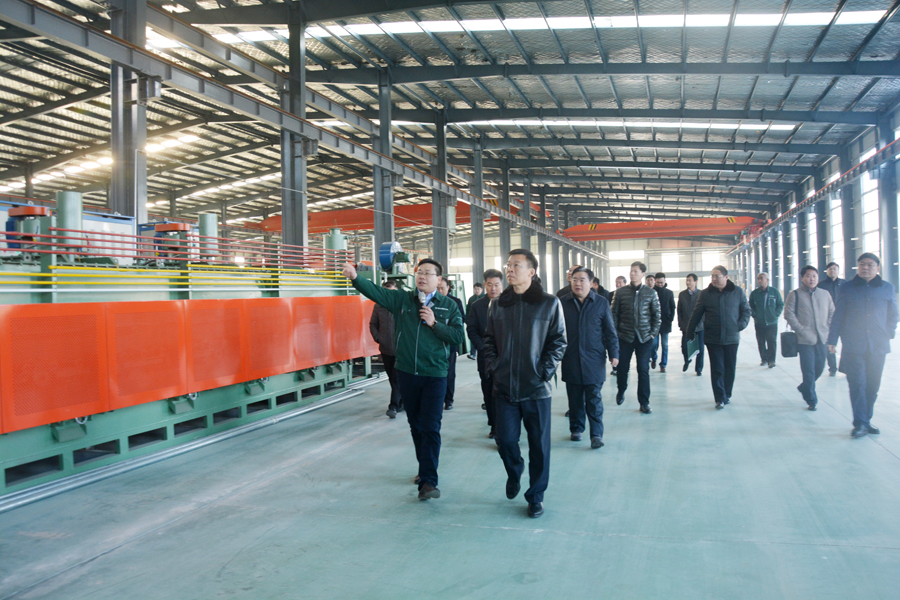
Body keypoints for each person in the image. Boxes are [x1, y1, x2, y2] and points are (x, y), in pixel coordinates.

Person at [342, 259, 464, 501]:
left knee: (431, 427)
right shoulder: (402, 300)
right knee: (416, 425)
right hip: (407, 373)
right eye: (419, 272)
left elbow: (458, 336)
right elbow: (375, 292)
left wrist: (435, 324)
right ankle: (425, 468)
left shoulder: (448, 305)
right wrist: (356, 278)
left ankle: (429, 481)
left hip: (435, 374)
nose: (422, 276)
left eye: (428, 273)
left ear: (439, 279)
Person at [482, 249, 567, 518]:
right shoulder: (498, 304)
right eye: (508, 265)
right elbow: (488, 340)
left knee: (539, 446)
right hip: (504, 387)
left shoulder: (549, 303)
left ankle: (536, 496)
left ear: (531, 271)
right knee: (505, 440)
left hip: (536, 388)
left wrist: (544, 371)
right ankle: (515, 470)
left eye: (516, 265)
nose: (509, 269)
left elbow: (558, 341)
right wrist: (495, 367)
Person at [827, 253, 898, 438]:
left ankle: (866, 419)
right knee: (857, 384)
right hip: (853, 345)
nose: (865, 267)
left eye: (870, 265)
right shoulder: (847, 288)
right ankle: (860, 423)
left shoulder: (887, 288)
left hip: (878, 346)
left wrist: (888, 333)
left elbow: (893, 315)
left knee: (873, 385)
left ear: (878, 268)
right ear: (857, 267)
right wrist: (832, 340)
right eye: (862, 264)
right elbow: (838, 315)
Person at [560, 267, 619, 449]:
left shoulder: (601, 302)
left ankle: (596, 435)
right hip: (571, 358)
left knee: (594, 399)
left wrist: (614, 354)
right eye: (574, 279)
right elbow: (555, 331)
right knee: (575, 398)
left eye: (582, 280)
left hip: (594, 358)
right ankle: (576, 429)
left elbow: (609, 330)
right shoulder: (562, 303)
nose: (577, 283)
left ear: (591, 283)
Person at [686, 266, 751, 409]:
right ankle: (720, 398)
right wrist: (689, 331)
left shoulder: (737, 292)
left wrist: (739, 325)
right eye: (712, 276)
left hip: (732, 338)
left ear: (726, 277)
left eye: (717, 276)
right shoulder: (706, 294)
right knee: (717, 368)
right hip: (713, 338)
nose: (714, 279)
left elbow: (746, 311)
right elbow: (697, 313)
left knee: (729, 368)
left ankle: (727, 394)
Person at [611, 261, 661, 414]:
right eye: (631, 271)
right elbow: (613, 315)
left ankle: (644, 402)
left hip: (644, 338)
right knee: (622, 368)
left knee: (643, 370)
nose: (632, 273)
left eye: (635, 271)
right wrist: (616, 333)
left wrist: (652, 333)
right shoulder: (620, 293)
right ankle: (621, 390)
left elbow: (657, 316)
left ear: (642, 274)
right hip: (624, 337)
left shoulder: (651, 293)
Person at [784, 266, 834, 411]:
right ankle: (811, 399)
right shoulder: (795, 294)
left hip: (822, 338)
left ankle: (804, 387)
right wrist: (801, 330)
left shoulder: (825, 294)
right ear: (802, 278)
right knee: (808, 370)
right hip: (804, 340)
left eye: (814, 276)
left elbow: (832, 312)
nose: (811, 279)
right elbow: (788, 314)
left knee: (819, 368)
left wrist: (827, 328)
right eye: (808, 276)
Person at [466, 269, 504, 438]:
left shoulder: (510, 304)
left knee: (506, 392)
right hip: (485, 357)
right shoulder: (477, 306)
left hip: (506, 356)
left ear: (502, 285)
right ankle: (494, 425)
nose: (493, 288)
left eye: (496, 284)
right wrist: (483, 348)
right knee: (489, 391)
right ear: (484, 285)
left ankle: (506, 425)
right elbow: (472, 329)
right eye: (489, 284)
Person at [369, 280, 403, 419]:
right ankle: (401, 402)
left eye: (391, 291)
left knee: (396, 378)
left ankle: (393, 406)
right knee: (392, 378)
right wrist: (379, 338)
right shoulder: (379, 306)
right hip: (385, 348)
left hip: (401, 349)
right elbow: (373, 324)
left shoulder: (402, 305)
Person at [438, 277, 466, 410]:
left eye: (442, 288)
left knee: (449, 373)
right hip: (435, 344)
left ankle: (448, 400)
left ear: (448, 287)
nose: (440, 291)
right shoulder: (431, 301)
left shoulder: (455, 302)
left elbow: (461, 320)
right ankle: (438, 399)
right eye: (437, 288)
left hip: (450, 344)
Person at [748, 272, 784, 368]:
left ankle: (771, 360)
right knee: (761, 342)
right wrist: (755, 315)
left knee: (771, 341)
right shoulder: (754, 294)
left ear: (767, 280)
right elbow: (750, 306)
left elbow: (780, 304)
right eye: (758, 278)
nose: (759, 280)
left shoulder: (774, 292)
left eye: (762, 278)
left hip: (772, 323)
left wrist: (775, 315)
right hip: (759, 323)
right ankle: (764, 359)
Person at [817, 262, 845, 376]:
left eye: (835, 269)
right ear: (827, 271)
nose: (832, 271)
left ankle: (845, 368)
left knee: (847, 343)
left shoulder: (845, 284)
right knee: (829, 343)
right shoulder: (821, 285)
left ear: (838, 271)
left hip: (843, 318)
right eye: (830, 269)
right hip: (828, 319)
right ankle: (832, 368)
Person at [677, 273, 704, 376]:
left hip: (699, 326)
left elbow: (705, 311)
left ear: (695, 282)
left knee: (700, 349)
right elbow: (679, 311)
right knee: (684, 347)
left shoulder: (701, 294)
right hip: (687, 326)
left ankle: (699, 369)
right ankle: (687, 360)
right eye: (687, 280)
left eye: (690, 280)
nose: (688, 282)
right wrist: (681, 324)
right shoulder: (682, 295)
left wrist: (703, 323)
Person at [652, 273, 676, 373]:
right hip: (654, 323)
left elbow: (672, 307)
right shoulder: (651, 292)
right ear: (655, 281)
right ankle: (654, 358)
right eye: (658, 283)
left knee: (665, 345)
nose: (660, 284)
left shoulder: (669, 293)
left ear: (665, 281)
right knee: (654, 344)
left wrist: (670, 319)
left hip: (666, 322)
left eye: (662, 282)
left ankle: (663, 364)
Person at [466, 283, 485, 360]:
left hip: (482, 322)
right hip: (473, 322)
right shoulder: (471, 299)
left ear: (482, 290)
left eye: (478, 289)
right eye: (475, 289)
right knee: (473, 336)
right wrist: (467, 320)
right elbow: (468, 310)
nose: (477, 291)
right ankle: (473, 354)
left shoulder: (485, 298)